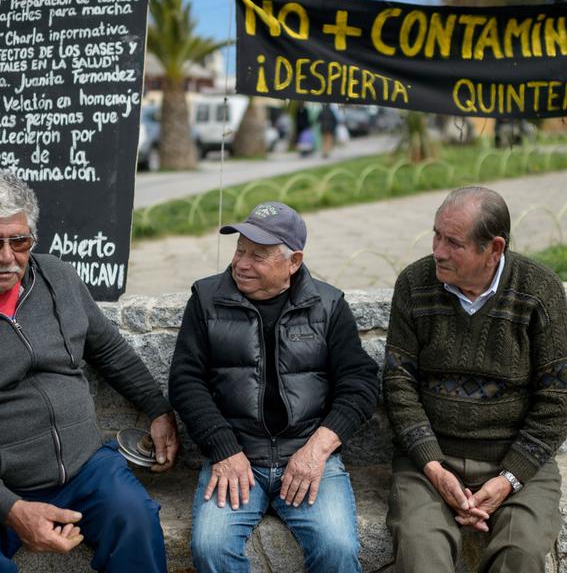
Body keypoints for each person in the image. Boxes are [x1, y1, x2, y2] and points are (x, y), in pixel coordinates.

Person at [169, 201, 379, 573]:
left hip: (308, 456)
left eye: (258, 256)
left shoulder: (329, 306)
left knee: (337, 549)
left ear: (293, 262)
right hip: (236, 456)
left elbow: (360, 383)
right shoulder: (205, 300)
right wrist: (224, 449)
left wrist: (317, 450)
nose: (241, 263)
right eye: (240, 251)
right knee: (211, 548)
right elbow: (186, 382)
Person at [383, 186, 567, 573]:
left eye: (453, 242)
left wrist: (510, 478)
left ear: (494, 248)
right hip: (430, 462)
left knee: (520, 553)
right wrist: (433, 467)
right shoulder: (414, 284)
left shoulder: (539, 290)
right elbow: (398, 385)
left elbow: (562, 398)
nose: (438, 250)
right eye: (436, 235)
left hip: (515, 459)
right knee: (419, 552)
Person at [0, 171, 179, 573]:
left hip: (86, 469)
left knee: (136, 520)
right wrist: (12, 508)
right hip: (6, 486)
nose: (7, 257)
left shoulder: (58, 278)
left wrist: (158, 409)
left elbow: (111, 351)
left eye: (19, 241)